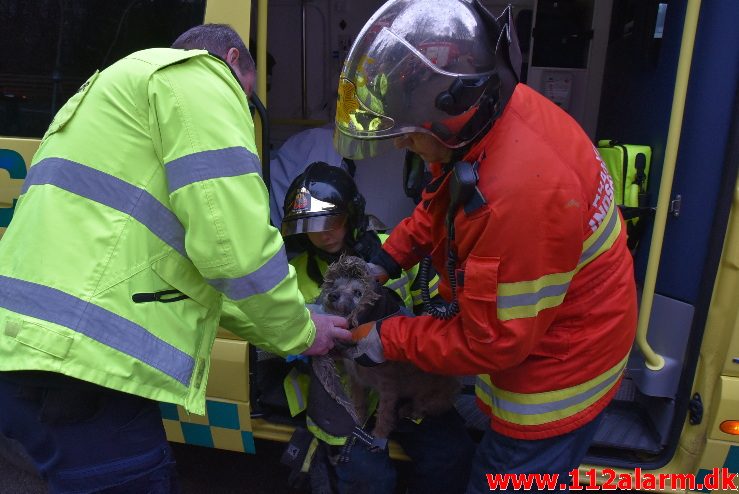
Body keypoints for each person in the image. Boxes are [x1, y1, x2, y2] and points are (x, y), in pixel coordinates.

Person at [0, 23, 350, 493]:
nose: (242, 114)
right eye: (246, 100)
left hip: (24, 354)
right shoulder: (199, 80)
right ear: (229, 60)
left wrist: (288, 326)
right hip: (84, 372)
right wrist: (301, 332)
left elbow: (203, 275)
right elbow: (236, 253)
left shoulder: (115, 86)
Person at [333, 1, 638, 493]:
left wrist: (384, 336)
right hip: (556, 330)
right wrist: (382, 263)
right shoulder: (484, 124)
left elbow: (487, 343)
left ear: (451, 112)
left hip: (558, 381)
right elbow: (439, 205)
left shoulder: (518, 196)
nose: (398, 145)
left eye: (408, 135)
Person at [280, 161, 474, 494]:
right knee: (370, 480)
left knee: (452, 455)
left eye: (333, 221)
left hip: (407, 387)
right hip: (343, 402)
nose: (324, 233)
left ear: (352, 217)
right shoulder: (290, 276)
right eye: (313, 225)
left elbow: (435, 309)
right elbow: (280, 334)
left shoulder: (394, 248)